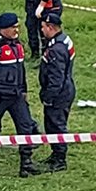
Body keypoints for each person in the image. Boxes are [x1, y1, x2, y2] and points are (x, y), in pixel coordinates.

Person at [0, 12, 41, 177]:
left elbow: (21, 70)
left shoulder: (17, 45)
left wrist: (24, 90)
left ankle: (26, 163)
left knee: (26, 126)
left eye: (17, 27)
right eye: (13, 27)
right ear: (4, 29)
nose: (16, 30)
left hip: (16, 94)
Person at [37, 14, 76, 173]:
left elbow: (56, 77)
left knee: (56, 125)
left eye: (43, 27)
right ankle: (55, 154)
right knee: (54, 123)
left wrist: (48, 96)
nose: (42, 30)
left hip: (59, 94)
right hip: (66, 89)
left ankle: (60, 159)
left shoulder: (56, 49)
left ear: (50, 27)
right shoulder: (65, 40)